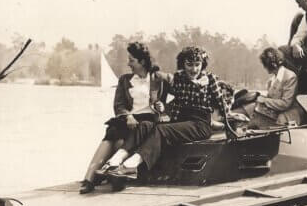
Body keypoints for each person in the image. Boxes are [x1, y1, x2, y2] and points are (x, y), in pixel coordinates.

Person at [104, 46, 231, 181]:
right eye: (189, 65)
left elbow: (224, 105)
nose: (194, 69)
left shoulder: (210, 79)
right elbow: (172, 100)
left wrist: (224, 123)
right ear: (183, 64)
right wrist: (162, 107)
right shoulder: (178, 77)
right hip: (181, 120)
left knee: (161, 130)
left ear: (202, 64)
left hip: (200, 124)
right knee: (145, 125)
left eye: (197, 65)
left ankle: (131, 166)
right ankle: (114, 161)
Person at [80, 42, 169, 193]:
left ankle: (112, 177)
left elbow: (178, 94)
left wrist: (164, 109)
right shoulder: (125, 80)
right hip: (129, 118)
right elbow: (119, 105)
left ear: (142, 61)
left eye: (131, 60)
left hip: (148, 120)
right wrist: (127, 116)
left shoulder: (159, 79)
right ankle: (89, 179)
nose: (128, 64)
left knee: (124, 138)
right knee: (112, 132)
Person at [242, 47, 300, 129]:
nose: (264, 67)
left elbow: (286, 103)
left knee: (268, 122)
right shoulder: (272, 80)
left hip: (289, 113)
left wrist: (264, 100)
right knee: (250, 110)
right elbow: (272, 98)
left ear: (271, 64)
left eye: (264, 64)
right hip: (277, 111)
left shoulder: (290, 77)